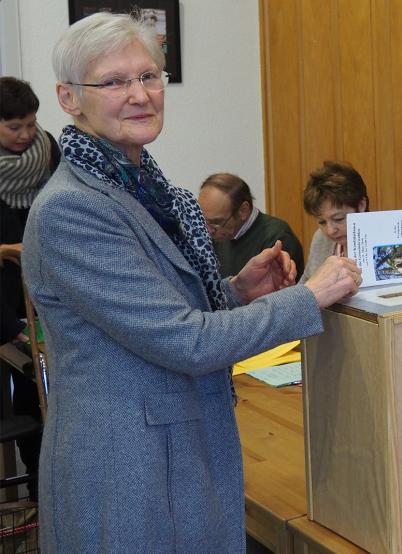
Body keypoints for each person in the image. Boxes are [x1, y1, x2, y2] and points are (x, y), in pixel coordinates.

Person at [22, 13, 361, 552]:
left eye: (148, 76)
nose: (139, 95)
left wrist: (236, 291)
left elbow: (154, 308)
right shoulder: (73, 208)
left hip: (173, 447)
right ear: (69, 98)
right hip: (128, 467)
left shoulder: (141, 185)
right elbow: (185, 340)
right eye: (113, 82)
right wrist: (310, 295)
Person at [1, 76, 61, 345]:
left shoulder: (47, 148)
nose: (25, 135)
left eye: (31, 124)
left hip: (44, 290)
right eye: (14, 127)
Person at [198, 172, 305, 277]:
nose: (209, 230)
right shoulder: (216, 234)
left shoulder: (278, 237)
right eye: (203, 220)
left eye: (216, 222)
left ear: (243, 211)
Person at [298, 160, 368, 284]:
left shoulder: (384, 240)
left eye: (338, 219)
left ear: (361, 205)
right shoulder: (320, 238)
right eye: (322, 222)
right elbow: (306, 287)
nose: (330, 231)